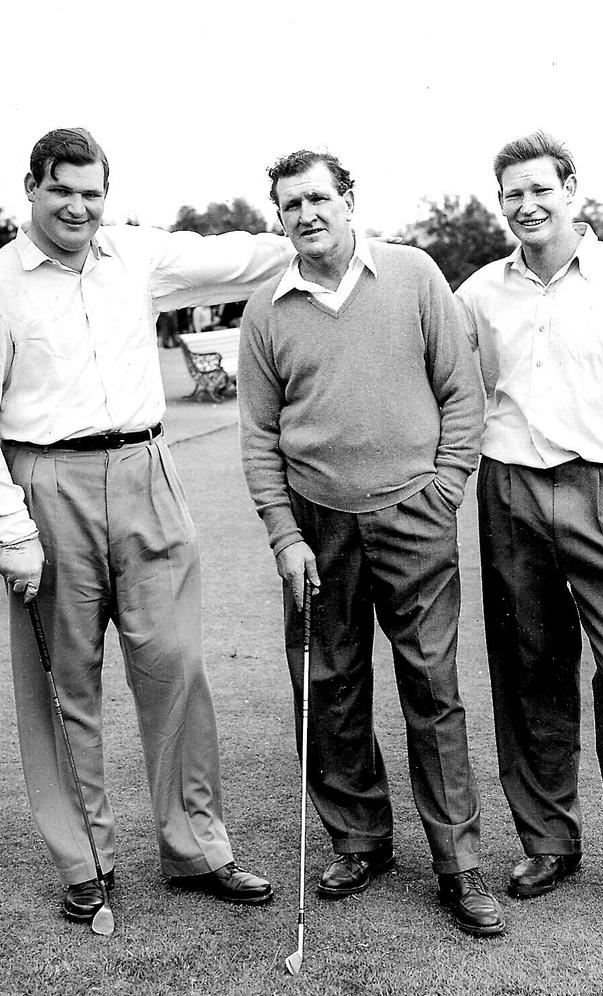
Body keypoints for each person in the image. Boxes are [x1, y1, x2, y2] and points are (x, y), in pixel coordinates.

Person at [0, 127, 294, 925]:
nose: (78, 206)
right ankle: (86, 859)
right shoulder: (1, 281)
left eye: (92, 192)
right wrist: (11, 529)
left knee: (176, 666)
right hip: (46, 481)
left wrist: (312, 230)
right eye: (62, 190)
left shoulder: (133, 255)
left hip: (148, 472)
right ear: (31, 187)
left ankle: (197, 847)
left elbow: (236, 256)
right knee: (65, 684)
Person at [238, 149, 505, 936]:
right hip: (318, 526)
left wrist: (446, 486)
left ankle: (459, 864)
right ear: (278, 219)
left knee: (433, 690)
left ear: (350, 200)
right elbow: (257, 437)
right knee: (331, 689)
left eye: (320, 198)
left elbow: (463, 391)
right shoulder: (267, 309)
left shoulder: (415, 274)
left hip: (413, 516)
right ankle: (360, 842)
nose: (307, 214)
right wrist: (285, 538)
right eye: (291, 206)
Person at [455, 130, 603, 899]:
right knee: (529, 669)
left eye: (541, 189)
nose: (527, 205)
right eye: (513, 194)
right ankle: (549, 840)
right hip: (511, 491)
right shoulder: (477, 292)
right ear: (501, 204)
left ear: (572, 190)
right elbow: (453, 386)